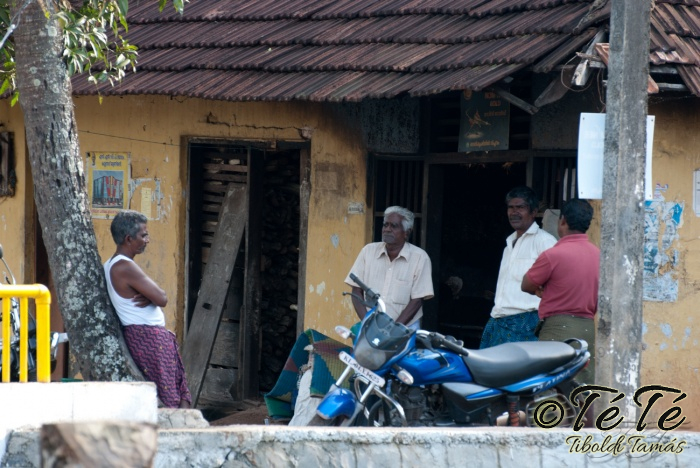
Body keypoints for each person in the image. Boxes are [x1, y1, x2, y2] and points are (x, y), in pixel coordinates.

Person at [104, 210, 192, 408]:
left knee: (170, 394)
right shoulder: (125, 266)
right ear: (129, 239)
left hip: (144, 336)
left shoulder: (110, 265)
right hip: (149, 338)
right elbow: (162, 298)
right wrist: (153, 297)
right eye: (143, 235)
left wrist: (150, 297)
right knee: (169, 398)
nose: (147, 240)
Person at [521, 199, 600, 384]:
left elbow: (526, 284)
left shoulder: (553, 255)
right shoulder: (598, 255)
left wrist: (540, 291)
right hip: (587, 329)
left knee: (550, 387)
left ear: (563, 220)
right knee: (582, 387)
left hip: (557, 329)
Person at [479, 186, 557, 348]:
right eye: (511, 207)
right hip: (498, 319)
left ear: (533, 212)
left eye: (520, 207)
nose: (514, 212)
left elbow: (556, 282)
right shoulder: (509, 243)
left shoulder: (544, 242)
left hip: (527, 322)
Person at [345, 206, 434, 330]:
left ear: (407, 232)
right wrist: (367, 322)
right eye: (385, 225)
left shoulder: (420, 258)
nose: (387, 229)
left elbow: (417, 300)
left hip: (404, 328)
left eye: (394, 226)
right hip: (370, 327)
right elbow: (356, 291)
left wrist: (392, 329)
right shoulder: (368, 251)